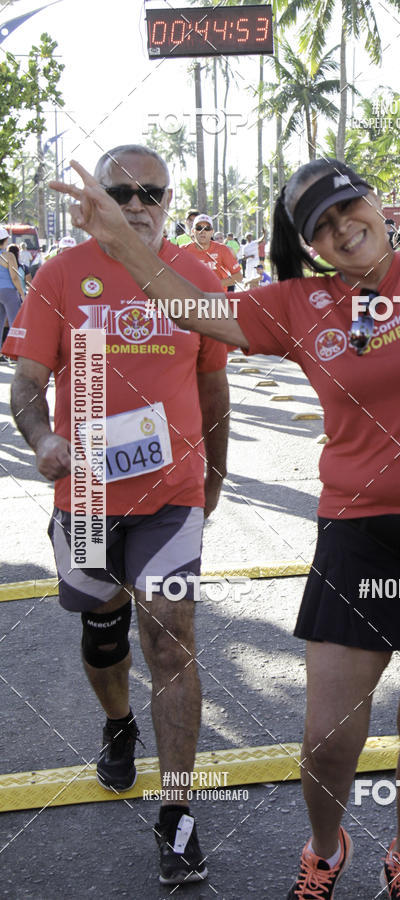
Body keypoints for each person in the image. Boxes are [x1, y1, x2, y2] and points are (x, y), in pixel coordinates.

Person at [50, 4, 400, 895]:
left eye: (349, 204)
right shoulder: (296, 307)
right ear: (307, 246)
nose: (342, 226)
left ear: (375, 203)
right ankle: (325, 848)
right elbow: (189, 305)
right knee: (326, 736)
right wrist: (121, 239)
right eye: (320, 224)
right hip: (357, 533)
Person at [3, 144, 230, 886]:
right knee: (105, 637)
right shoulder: (62, 275)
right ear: (97, 197)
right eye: (122, 191)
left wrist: (213, 484)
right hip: (90, 499)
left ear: (169, 199)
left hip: (171, 498)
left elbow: (216, 393)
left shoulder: (196, 277)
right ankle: (116, 723)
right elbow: (30, 381)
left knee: (170, 639)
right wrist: (43, 438)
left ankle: (178, 813)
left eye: (152, 192)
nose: (138, 204)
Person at [184, 214, 243, 290]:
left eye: (207, 228)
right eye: (199, 228)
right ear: (193, 231)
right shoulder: (183, 250)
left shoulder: (222, 250)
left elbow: (238, 276)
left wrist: (214, 284)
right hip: (192, 299)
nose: (203, 231)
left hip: (216, 298)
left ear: (212, 231)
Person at [0, 226, 26, 351]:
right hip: (8, 292)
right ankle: (16, 352)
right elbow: (14, 277)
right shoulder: (9, 256)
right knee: (15, 323)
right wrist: (22, 294)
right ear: (4, 241)